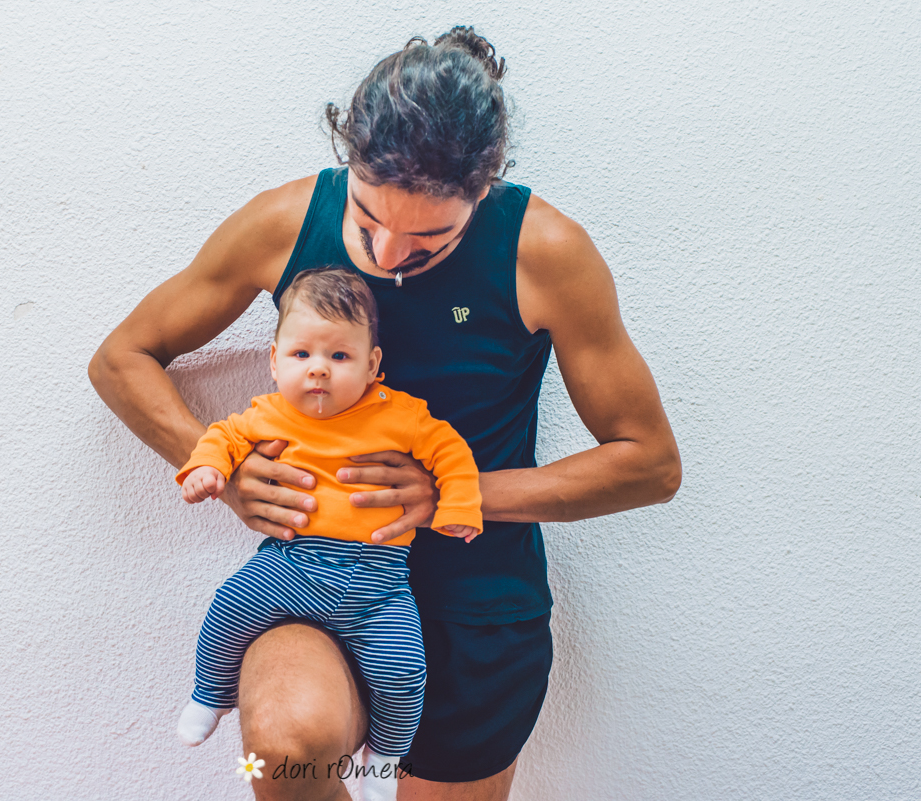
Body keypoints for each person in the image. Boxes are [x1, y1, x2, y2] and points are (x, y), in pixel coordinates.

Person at [89, 25, 681, 801]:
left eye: (429, 238)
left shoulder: (548, 251)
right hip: (314, 576)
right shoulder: (283, 221)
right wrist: (223, 466)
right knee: (286, 752)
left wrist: (451, 496)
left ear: (486, 181)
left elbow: (649, 461)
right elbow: (121, 358)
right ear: (351, 161)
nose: (390, 254)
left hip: (476, 601)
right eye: (368, 221)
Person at [177, 267, 481, 801]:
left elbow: (451, 453)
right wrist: (208, 471)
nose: (318, 370)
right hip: (291, 565)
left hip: (379, 582)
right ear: (274, 362)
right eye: (301, 356)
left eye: (339, 357)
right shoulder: (267, 413)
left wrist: (458, 505)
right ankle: (210, 695)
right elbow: (220, 437)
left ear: (372, 365)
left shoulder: (401, 415)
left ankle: (383, 760)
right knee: (228, 608)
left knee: (405, 673)